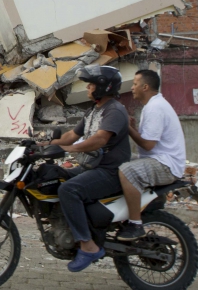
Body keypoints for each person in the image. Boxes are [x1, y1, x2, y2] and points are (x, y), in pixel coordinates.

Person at [46, 65, 131, 272]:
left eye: (91, 85)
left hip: (110, 172)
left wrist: (70, 149)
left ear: (103, 87)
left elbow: (99, 139)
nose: (88, 89)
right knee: (57, 177)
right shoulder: (94, 110)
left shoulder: (115, 111)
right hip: (92, 167)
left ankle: (88, 246)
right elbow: (71, 136)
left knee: (69, 189)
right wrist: (44, 144)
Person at [116, 69, 187, 241]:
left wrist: (127, 127)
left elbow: (147, 144)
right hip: (159, 160)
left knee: (127, 171)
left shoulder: (155, 108)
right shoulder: (153, 106)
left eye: (135, 84)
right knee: (117, 163)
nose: (132, 88)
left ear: (145, 87)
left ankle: (135, 224)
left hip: (165, 164)